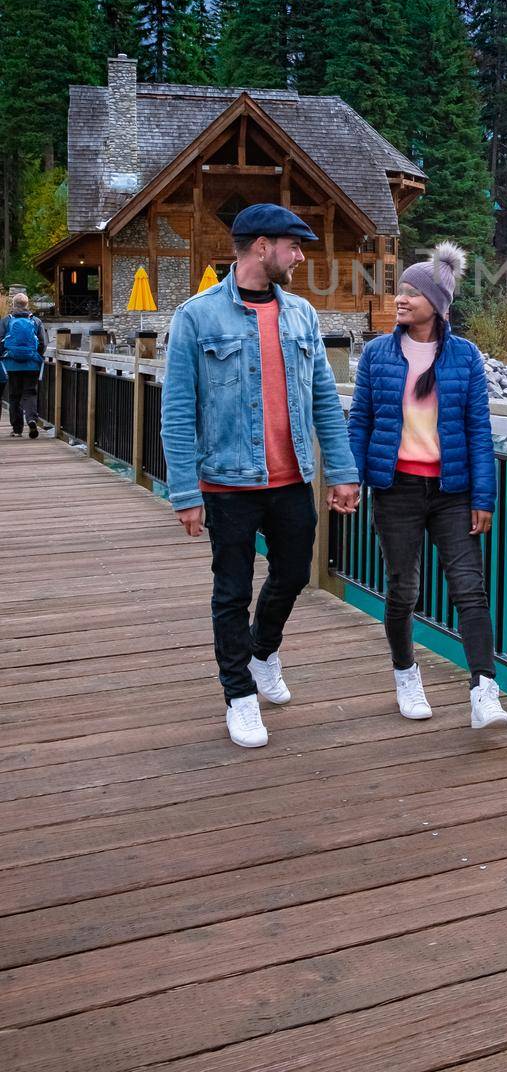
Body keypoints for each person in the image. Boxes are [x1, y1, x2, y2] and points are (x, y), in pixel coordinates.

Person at [161, 204, 359, 749]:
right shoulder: (197, 316)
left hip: (291, 478)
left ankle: (264, 650)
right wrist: (185, 492)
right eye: (293, 246)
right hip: (226, 483)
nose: (299, 256)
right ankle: (240, 696)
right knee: (231, 592)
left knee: (294, 573)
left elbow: (323, 399)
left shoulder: (301, 315)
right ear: (260, 246)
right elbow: (178, 411)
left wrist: (342, 472)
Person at [348, 240, 507, 730]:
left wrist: (484, 496)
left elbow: (479, 432)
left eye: (412, 294)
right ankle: (405, 672)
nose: (400, 299)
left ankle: (484, 688)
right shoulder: (378, 354)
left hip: (452, 492)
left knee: (469, 589)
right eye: (398, 292)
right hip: (396, 490)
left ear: (436, 306)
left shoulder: (464, 357)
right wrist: (351, 480)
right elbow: (360, 423)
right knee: (404, 589)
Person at [0, 292, 46, 439]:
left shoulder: (6, 321)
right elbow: (43, 343)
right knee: (30, 393)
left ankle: (17, 429)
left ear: (13, 305)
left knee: (14, 396)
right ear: (27, 304)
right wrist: (36, 356)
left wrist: (4, 356)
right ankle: (32, 419)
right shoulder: (36, 321)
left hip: (12, 364)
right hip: (32, 364)